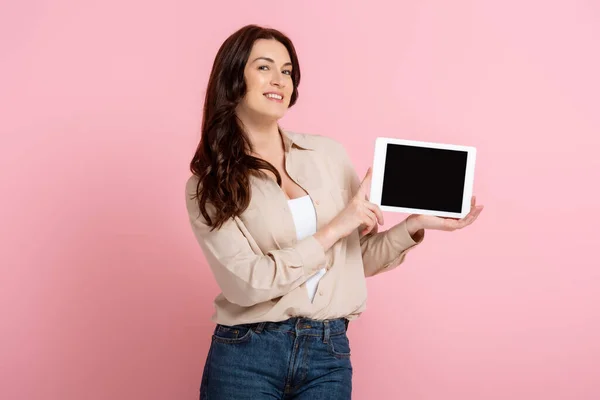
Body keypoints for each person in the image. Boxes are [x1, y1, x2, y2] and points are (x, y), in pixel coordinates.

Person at [185, 24, 483, 400]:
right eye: (264, 67)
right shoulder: (208, 185)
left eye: (287, 70)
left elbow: (354, 261)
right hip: (247, 353)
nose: (279, 79)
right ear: (233, 79)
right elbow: (247, 285)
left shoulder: (328, 155)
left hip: (328, 354)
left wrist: (413, 226)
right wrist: (335, 227)